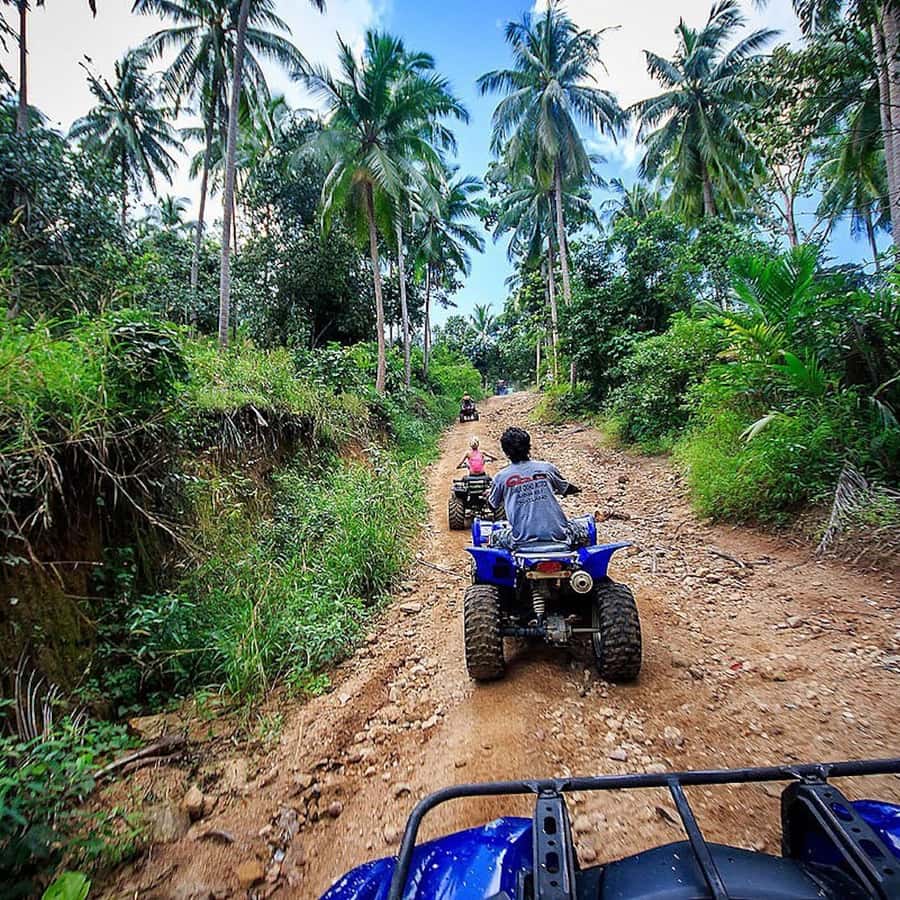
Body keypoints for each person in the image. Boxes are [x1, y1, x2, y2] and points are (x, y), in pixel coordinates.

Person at [488, 426, 585, 550]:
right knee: (584, 530)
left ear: (506, 452)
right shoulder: (547, 468)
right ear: (529, 447)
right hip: (559, 536)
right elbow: (566, 488)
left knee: (493, 537)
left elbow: (492, 505)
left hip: (521, 541)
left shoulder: (501, 477)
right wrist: (577, 489)